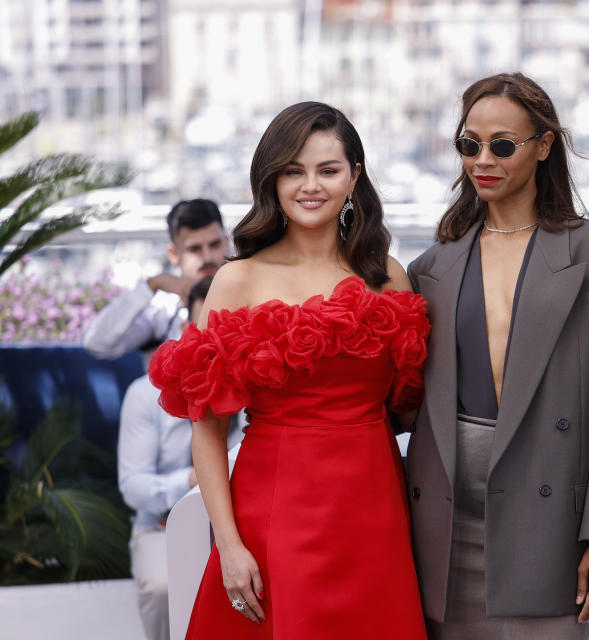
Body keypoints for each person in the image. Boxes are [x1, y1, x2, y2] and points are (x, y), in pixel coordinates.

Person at [148, 102, 429, 638]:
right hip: (274, 508)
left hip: (375, 510)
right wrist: (229, 547)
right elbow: (206, 431)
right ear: (271, 180)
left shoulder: (388, 276)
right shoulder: (237, 280)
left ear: (355, 176)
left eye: (328, 170)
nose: (311, 186)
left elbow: (411, 406)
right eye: (294, 171)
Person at [406, 73, 589, 638]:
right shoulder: (429, 268)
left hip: (549, 520)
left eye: (502, 145)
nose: (483, 159)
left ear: (544, 146)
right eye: (469, 144)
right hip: (445, 521)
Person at [118, 275, 242, 640]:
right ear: (188, 328)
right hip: (160, 524)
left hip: (244, 520)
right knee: (162, 586)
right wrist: (196, 477)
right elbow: (135, 489)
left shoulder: (261, 379)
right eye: (207, 325)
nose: (217, 338)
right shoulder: (144, 394)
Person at [83, 199, 228, 359]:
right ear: (173, 254)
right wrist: (151, 286)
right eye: (194, 249)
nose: (207, 257)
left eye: (215, 245)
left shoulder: (250, 294)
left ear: (227, 243)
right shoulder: (163, 310)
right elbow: (96, 344)